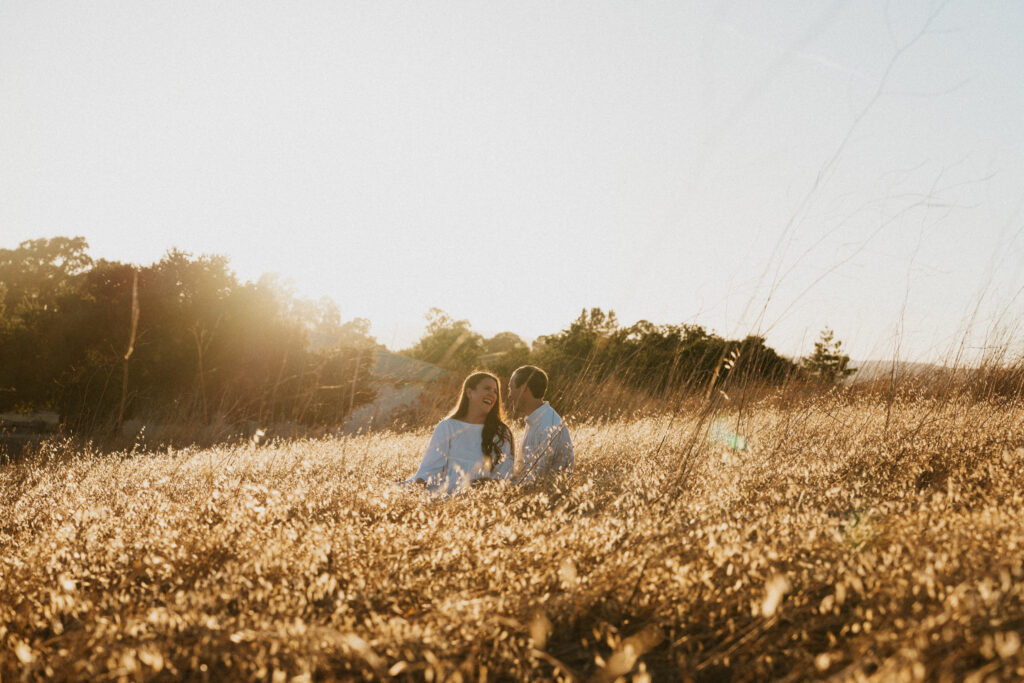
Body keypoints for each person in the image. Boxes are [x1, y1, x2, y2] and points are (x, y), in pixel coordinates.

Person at [407, 371, 515, 495]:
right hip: (441, 495)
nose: (492, 394)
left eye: (495, 391)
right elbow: (429, 469)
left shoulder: (501, 432)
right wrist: (416, 492)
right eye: (487, 388)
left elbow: (505, 474)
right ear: (469, 392)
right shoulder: (447, 427)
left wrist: (483, 486)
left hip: (481, 498)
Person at [506, 365, 574, 482]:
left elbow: (532, 481)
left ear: (524, 388)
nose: (509, 395)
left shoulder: (546, 426)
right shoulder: (537, 419)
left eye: (511, 388)